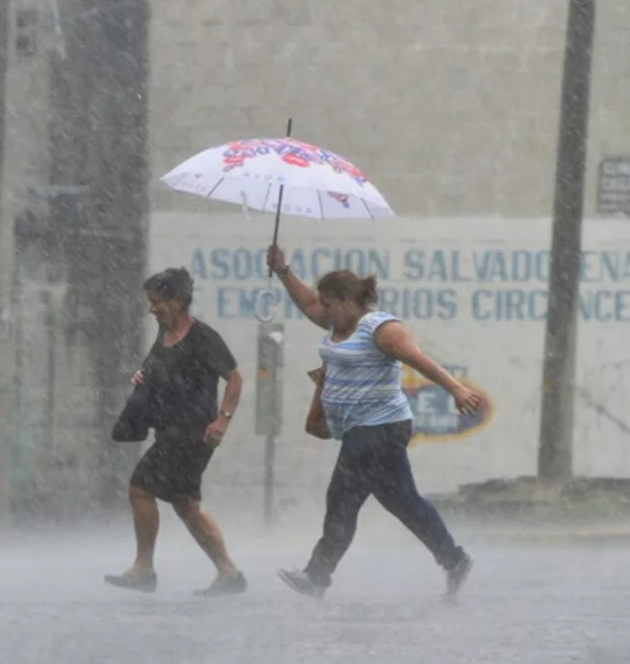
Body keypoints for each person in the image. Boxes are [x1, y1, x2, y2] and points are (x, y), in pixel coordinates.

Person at [266, 245, 482, 601]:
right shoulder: (336, 322)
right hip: (359, 430)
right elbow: (306, 305)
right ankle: (454, 559)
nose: (324, 311)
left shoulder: (381, 329)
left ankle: (317, 576)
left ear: (348, 301)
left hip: (379, 428)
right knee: (405, 504)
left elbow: (419, 360)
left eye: (329, 304)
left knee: (341, 501)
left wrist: (456, 388)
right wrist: (282, 270)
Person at [105, 267, 248, 596]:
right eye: (150, 302)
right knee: (186, 506)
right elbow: (159, 368)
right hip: (168, 431)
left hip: (193, 435)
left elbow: (236, 379)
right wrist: (144, 378)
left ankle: (144, 568)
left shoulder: (203, 338)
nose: (152, 308)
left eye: (157, 301)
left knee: (141, 488)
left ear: (178, 300)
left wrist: (222, 420)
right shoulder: (164, 333)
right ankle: (229, 573)